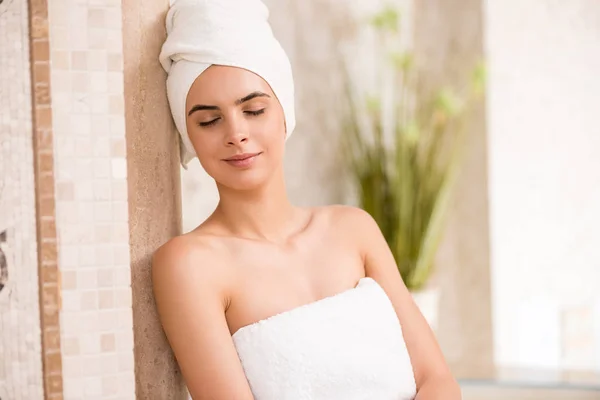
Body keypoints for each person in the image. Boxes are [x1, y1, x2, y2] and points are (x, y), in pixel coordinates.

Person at [153, 0, 461, 399]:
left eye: (254, 109)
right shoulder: (190, 265)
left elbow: (439, 382)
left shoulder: (354, 229)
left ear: (284, 112)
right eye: (209, 120)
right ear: (188, 133)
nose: (236, 133)